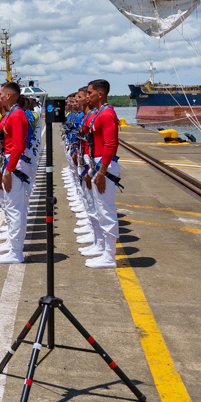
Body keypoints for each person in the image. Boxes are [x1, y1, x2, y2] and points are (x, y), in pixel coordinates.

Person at [82, 79, 121, 269]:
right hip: (97, 164)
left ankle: (110, 255)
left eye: (90, 93)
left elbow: (111, 144)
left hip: (104, 166)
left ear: (100, 94)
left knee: (106, 211)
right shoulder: (101, 114)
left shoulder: (106, 114)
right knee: (100, 210)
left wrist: (102, 171)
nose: (87, 96)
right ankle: (103, 247)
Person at [0, 82, 29, 265]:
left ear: (8, 95)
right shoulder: (10, 114)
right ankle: (12, 243)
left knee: (15, 208)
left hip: (12, 163)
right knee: (10, 206)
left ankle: (16, 251)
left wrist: (9, 169)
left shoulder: (16, 115)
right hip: (7, 161)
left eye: (0, 94)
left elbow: (17, 146)